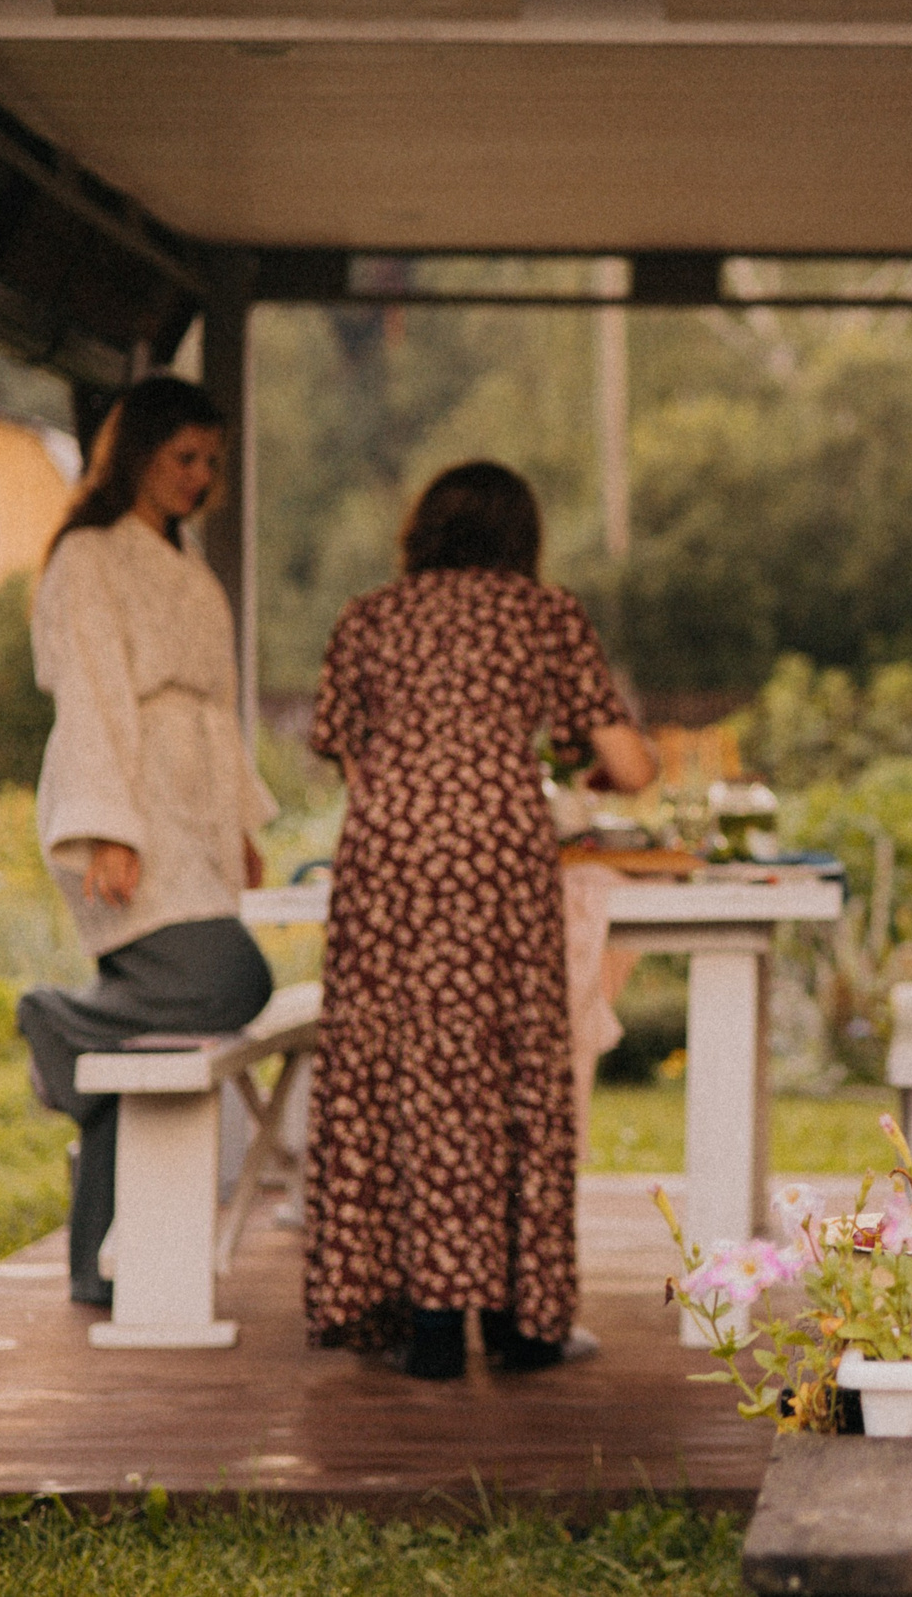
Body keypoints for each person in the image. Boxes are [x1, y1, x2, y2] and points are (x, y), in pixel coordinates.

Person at [304, 461, 657, 1379]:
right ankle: (519, 1324)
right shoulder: (544, 614)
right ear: (521, 536)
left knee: (404, 1069)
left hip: (388, 859)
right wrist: (575, 747)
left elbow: (345, 749)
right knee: (511, 1068)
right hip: (500, 854)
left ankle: (417, 1321)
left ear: (421, 531)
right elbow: (632, 767)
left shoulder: (369, 615)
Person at [18, 375, 278, 1309]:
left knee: (147, 1046)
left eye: (211, 461)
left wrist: (240, 821)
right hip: (122, 810)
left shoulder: (187, 563)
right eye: (183, 457)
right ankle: (57, 1016)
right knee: (235, 979)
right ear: (136, 453)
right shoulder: (90, 558)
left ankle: (93, 1263)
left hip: (190, 816)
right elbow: (88, 696)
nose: (200, 477)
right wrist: (106, 832)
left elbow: (216, 709)